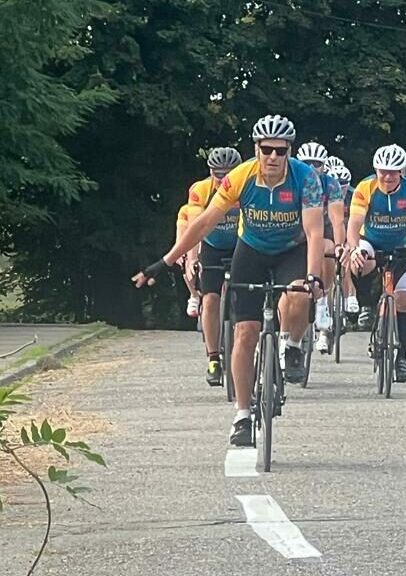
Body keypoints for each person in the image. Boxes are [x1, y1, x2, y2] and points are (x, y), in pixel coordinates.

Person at [132, 114, 324, 446]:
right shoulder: (240, 177)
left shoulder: (305, 179)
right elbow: (205, 222)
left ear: (289, 151)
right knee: (244, 333)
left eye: (281, 151)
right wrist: (164, 262)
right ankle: (242, 415)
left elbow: (314, 230)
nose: (273, 157)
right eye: (267, 149)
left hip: (292, 249)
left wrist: (312, 276)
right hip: (250, 250)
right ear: (257, 148)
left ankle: (291, 345)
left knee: (297, 295)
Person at [347, 144, 406, 383]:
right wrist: (353, 249)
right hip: (372, 242)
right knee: (359, 263)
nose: (387, 176)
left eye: (393, 172)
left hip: (403, 246)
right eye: (383, 171)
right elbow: (354, 222)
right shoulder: (366, 187)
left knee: (405, 301)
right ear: (376, 169)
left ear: (402, 172)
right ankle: (365, 305)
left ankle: (401, 358)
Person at [186, 147, 242, 386]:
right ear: (210, 172)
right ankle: (213, 358)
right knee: (209, 300)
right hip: (212, 246)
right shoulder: (200, 190)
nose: (223, 179)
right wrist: (192, 259)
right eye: (218, 174)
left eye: (228, 173)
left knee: (248, 296)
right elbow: (195, 226)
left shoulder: (245, 186)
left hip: (240, 244)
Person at [295, 142, 345, 354]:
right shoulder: (294, 179)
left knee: (327, 248)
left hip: (321, 228)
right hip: (294, 228)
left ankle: (323, 304)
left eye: (317, 164)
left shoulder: (330, 184)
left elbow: (336, 219)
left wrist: (341, 245)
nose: (313, 168)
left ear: (324, 166)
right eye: (307, 163)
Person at [328, 164, 359, 315]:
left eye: (344, 187)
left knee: (345, 254)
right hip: (328, 233)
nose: (340, 191)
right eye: (336, 186)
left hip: (348, 233)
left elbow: (357, 221)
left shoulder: (353, 196)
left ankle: (350, 295)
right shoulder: (321, 193)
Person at [174, 203, 200, 318]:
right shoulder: (186, 211)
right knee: (184, 256)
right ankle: (194, 295)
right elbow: (181, 238)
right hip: (197, 242)